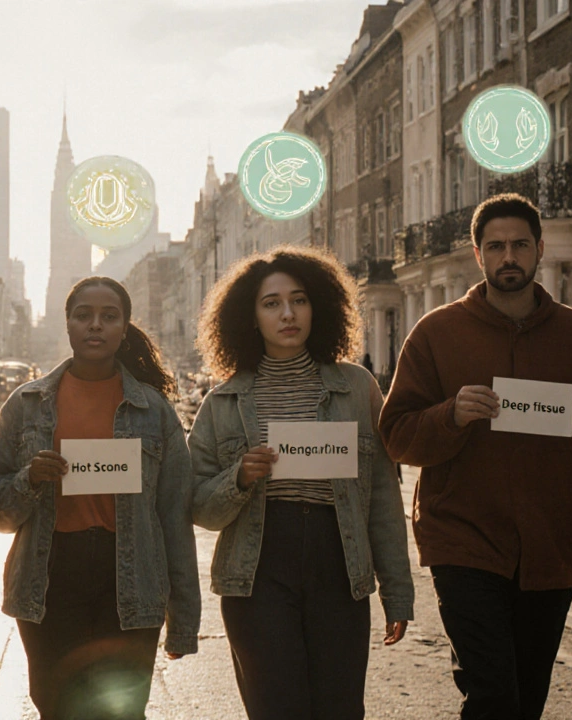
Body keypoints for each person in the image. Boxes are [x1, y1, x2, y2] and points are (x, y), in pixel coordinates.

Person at [379, 193, 572, 720]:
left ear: (540, 250)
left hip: (551, 550)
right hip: (464, 546)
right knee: (493, 698)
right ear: (477, 255)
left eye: (520, 245)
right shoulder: (436, 333)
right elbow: (395, 436)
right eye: (497, 246)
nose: (509, 256)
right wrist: (450, 415)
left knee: (525, 701)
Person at [189, 246, 413, 719]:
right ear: (249, 315)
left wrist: (397, 591)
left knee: (340, 709)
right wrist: (239, 478)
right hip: (257, 572)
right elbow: (197, 506)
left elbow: (381, 496)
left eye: (300, 300)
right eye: (271, 303)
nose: (287, 313)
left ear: (320, 308)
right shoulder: (222, 401)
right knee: (277, 709)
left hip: (339, 565)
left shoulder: (357, 388)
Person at [0, 276, 200, 720]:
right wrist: (30, 478)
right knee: (58, 708)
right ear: (66, 324)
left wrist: (183, 619)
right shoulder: (24, 404)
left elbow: (173, 516)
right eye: (83, 315)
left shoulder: (154, 411)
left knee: (121, 712)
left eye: (109, 317)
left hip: (130, 577)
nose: (95, 326)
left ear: (125, 328)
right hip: (49, 579)